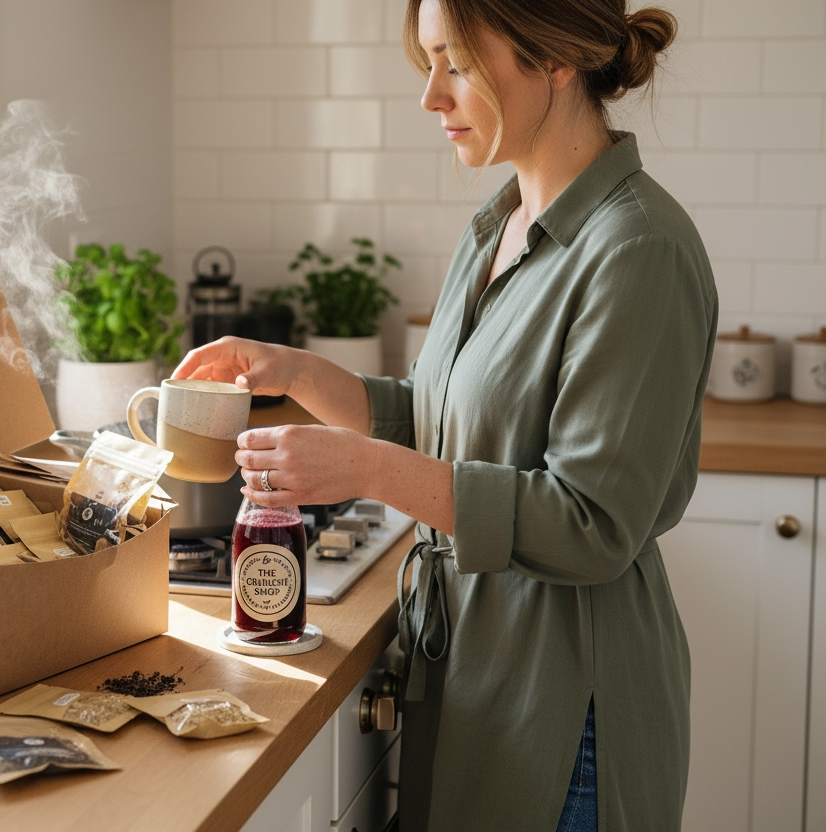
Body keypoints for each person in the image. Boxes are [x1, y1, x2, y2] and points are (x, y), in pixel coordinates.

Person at [172, 0, 718, 829]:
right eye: (428, 62)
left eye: (456, 62)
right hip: (478, 679)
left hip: (566, 714)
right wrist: (296, 371)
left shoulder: (637, 249)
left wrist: (360, 469)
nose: (431, 96)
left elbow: (592, 522)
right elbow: (442, 423)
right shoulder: (499, 225)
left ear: (556, 57)